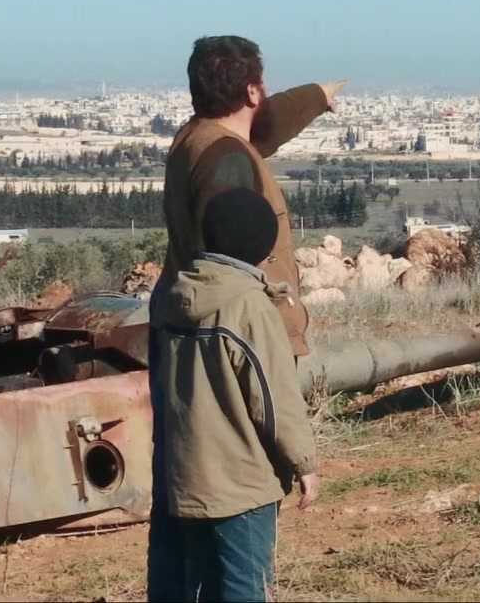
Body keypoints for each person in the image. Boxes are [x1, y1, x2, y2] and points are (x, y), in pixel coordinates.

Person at [148, 35, 342, 601]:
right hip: (226, 342)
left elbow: (258, 130)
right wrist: (301, 459)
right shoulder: (227, 163)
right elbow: (232, 238)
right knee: (235, 512)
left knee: (184, 502)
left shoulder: (197, 137)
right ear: (254, 89)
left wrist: (315, 97)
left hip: (188, 332)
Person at [150, 187, 320, 602]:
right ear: (261, 246)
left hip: (188, 480)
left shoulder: (174, 298)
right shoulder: (249, 307)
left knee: (202, 587)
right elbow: (273, 399)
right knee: (247, 587)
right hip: (242, 484)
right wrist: (304, 462)